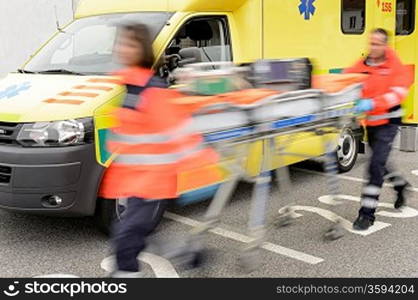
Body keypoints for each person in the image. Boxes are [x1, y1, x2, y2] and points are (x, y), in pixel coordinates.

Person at [100, 23, 220, 277]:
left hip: (152, 184)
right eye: (120, 42)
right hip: (133, 182)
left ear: (141, 49)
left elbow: (180, 132)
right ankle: (191, 256)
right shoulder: (130, 87)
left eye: (129, 43)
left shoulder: (152, 91)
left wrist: (205, 167)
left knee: (127, 240)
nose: (122, 48)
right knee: (138, 236)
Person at [345, 28, 412, 230]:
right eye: (371, 43)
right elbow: (347, 79)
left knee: (374, 167)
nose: (372, 47)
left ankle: (367, 214)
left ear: (385, 45)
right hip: (372, 125)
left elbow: (398, 94)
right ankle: (401, 186)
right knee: (380, 163)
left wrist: (371, 104)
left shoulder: (395, 67)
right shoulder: (363, 64)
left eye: (377, 44)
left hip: (388, 124)